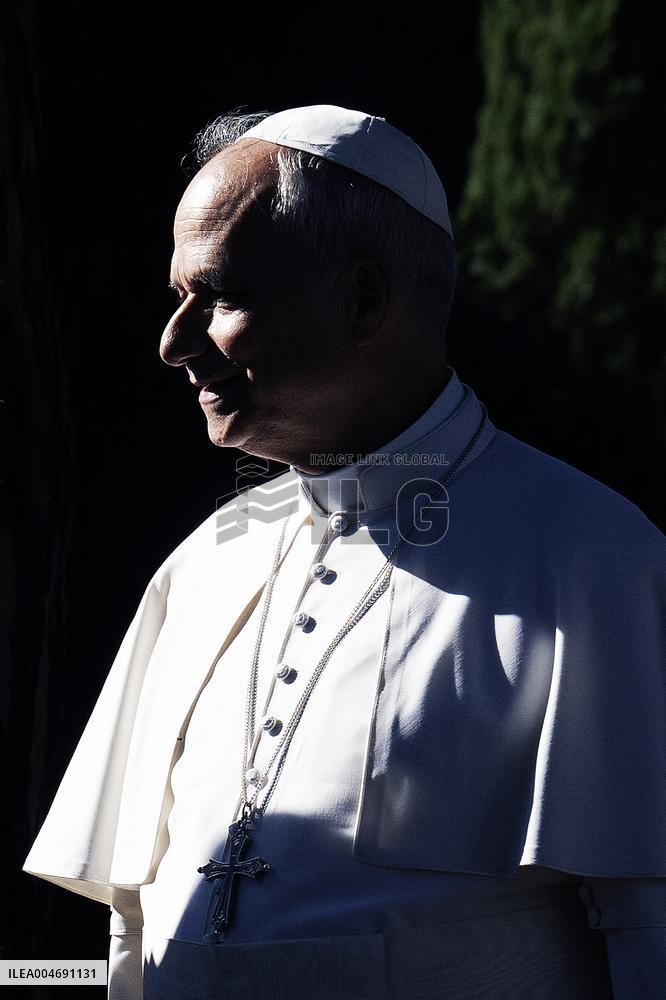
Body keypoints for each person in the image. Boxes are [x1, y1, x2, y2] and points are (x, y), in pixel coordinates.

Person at [23, 105, 666, 999]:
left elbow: (650, 929)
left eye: (218, 296)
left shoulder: (590, 557)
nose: (173, 342)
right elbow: (126, 924)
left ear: (364, 300)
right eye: (176, 298)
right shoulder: (203, 563)